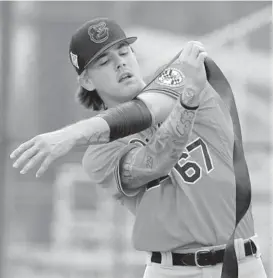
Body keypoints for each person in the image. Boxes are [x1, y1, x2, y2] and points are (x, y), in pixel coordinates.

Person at [10, 18, 267, 278]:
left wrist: (72, 133)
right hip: (172, 270)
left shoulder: (182, 78)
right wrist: (189, 100)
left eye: (123, 52)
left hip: (242, 263)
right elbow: (157, 161)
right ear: (87, 80)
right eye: (104, 61)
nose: (120, 62)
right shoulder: (99, 154)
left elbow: (148, 108)